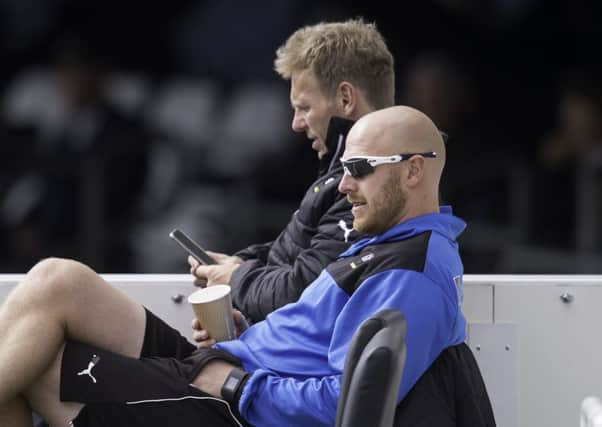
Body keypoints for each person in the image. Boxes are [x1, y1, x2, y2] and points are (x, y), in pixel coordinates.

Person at [0, 105, 470, 427]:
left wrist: (235, 384)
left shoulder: (411, 270)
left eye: (361, 168)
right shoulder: (391, 240)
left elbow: (343, 405)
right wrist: (242, 334)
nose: (344, 185)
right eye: (344, 168)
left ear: (413, 171)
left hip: (235, 405)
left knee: (41, 369)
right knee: (58, 280)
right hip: (232, 365)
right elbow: (312, 339)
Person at [189, 18, 395, 323]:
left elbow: (303, 293)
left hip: (295, 366)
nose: (296, 124)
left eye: (305, 107)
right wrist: (244, 262)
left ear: (345, 98)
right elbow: (304, 255)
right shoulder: (344, 172)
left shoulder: (370, 183)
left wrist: (236, 279)